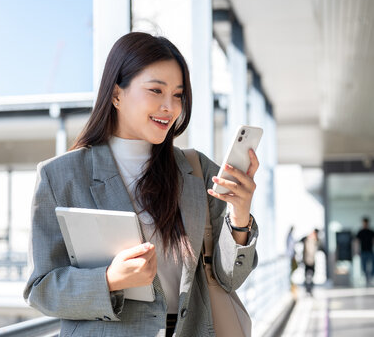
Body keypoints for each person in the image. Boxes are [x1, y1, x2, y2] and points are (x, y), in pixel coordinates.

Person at [24, 32, 260, 336]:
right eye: (156, 90)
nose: (170, 107)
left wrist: (240, 216)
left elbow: (229, 279)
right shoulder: (60, 177)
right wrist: (109, 279)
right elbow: (40, 288)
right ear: (116, 94)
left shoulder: (197, 171)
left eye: (177, 95)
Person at [300, 229, 321, 296]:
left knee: (310, 276)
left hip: (311, 260)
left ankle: (309, 289)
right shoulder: (307, 239)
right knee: (307, 276)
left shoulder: (315, 240)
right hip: (308, 261)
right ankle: (308, 289)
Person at [356, 216, 374, 286]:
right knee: (364, 266)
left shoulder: (371, 232)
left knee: (373, 265)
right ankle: (366, 278)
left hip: (370, 251)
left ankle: (371, 277)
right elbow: (357, 242)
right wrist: (357, 250)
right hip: (363, 251)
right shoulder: (360, 232)